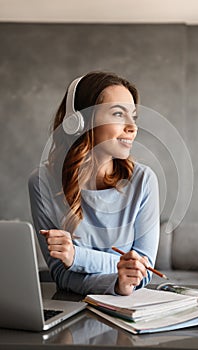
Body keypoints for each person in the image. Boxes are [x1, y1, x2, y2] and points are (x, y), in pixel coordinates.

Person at [28, 71, 159, 296]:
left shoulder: (144, 181)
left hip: (128, 311)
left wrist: (77, 257)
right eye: (119, 114)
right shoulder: (42, 183)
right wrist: (116, 283)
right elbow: (61, 273)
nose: (132, 127)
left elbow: (142, 270)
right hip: (72, 308)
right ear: (78, 122)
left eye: (134, 117)